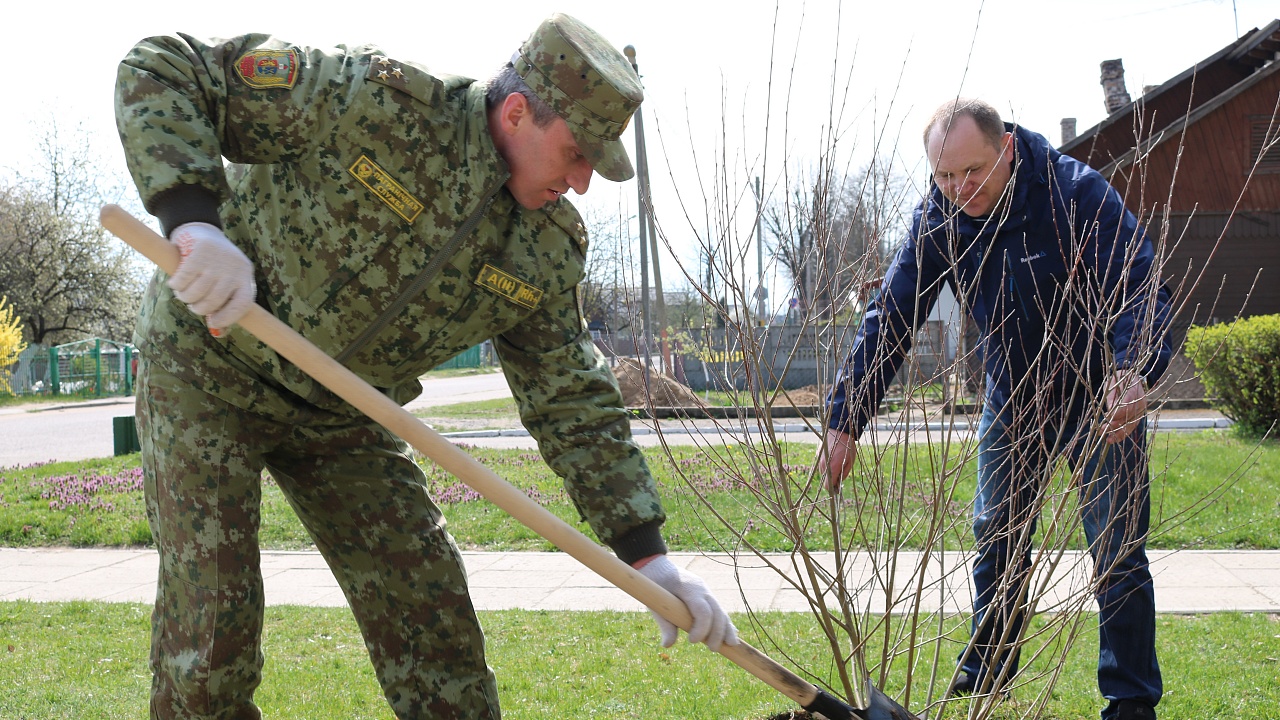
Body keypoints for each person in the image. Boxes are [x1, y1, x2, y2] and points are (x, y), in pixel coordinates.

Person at [115, 14, 737, 720]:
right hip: (208, 366)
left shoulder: (545, 245)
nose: (583, 182)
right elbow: (166, 66)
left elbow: (572, 399)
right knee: (212, 633)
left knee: (433, 623)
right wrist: (192, 221)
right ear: (516, 111)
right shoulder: (371, 104)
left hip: (345, 411)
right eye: (575, 153)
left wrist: (647, 555)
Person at [823, 98, 1170, 720]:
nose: (959, 189)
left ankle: (1131, 699)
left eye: (972, 172)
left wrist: (1130, 371)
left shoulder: (1075, 195)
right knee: (995, 533)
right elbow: (893, 314)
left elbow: (1138, 281)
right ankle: (989, 668)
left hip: (1101, 393)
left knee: (1116, 551)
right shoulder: (941, 217)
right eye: (944, 176)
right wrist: (846, 418)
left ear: (1006, 148)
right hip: (1014, 391)